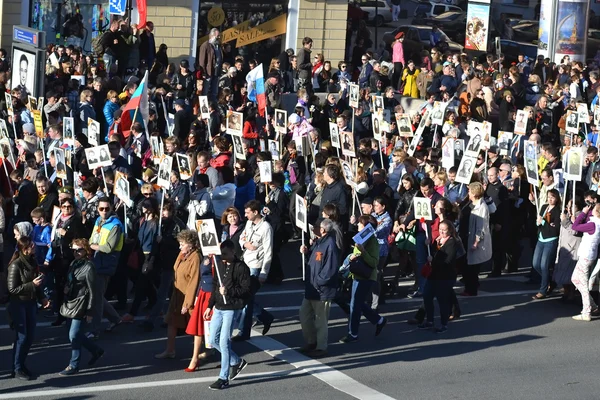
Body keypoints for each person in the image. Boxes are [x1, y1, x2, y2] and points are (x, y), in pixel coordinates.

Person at [204, 240, 251, 390]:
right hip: (219, 307)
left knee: (224, 342)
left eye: (225, 254)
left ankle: (223, 377)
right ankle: (236, 361)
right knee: (213, 339)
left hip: (231, 308)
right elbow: (215, 287)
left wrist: (229, 292)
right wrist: (209, 306)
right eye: (220, 254)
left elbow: (246, 289)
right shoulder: (219, 265)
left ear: (233, 251)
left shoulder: (241, 267)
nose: (222, 256)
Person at [59, 238, 105, 376]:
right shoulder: (74, 263)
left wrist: (90, 311)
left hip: (82, 304)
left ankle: (74, 365)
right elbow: (71, 281)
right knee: (75, 334)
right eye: (73, 250)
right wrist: (67, 288)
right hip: (71, 302)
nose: (76, 252)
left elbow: (93, 290)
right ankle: (96, 350)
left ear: (86, 251)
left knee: (73, 335)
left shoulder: (89, 267)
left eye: (79, 250)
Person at [7, 237, 50, 380]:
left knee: (30, 336)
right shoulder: (16, 265)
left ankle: (21, 364)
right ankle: (16, 368)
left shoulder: (32, 262)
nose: (34, 247)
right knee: (22, 336)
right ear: (25, 249)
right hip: (19, 304)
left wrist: (42, 297)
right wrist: (32, 285)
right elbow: (12, 289)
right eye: (32, 245)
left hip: (30, 303)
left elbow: (36, 283)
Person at [339, 215, 387, 343]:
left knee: (355, 305)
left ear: (366, 226)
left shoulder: (372, 241)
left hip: (366, 277)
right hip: (356, 274)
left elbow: (374, 262)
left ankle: (353, 333)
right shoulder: (360, 239)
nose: (357, 225)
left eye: (360, 224)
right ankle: (379, 320)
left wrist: (363, 252)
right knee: (358, 303)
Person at [299, 218, 342, 357]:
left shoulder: (330, 245)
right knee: (304, 315)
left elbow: (330, 269)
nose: (313, 228)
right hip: (312, 289)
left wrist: (318, 282)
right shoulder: (318, 243)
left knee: (321, 321)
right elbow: (313, 263)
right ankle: (311, 341)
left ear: (323, 230)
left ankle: (321, 346)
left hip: (321, 290)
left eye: (316, 226)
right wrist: (306, 253)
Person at [154, 230, 200, 359]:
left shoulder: (195, 257)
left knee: (196, 326)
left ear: (191, 244)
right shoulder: (182, 254)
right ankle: (170, 350)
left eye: (182, 244)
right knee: (171, 322)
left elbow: (194, 281)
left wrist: (188, 303)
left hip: (187, 296)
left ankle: (205, 351)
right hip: (177, 294)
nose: (180, 247)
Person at [234, 200, 275, 341]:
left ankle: (243, 332)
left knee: (245, 299)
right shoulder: (249, 224)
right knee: (246, 298)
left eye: (247, 212)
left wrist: (264, 272)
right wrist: (245, 244)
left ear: (256, 212)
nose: (245, 215)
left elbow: (269, 251)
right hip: (245, 261)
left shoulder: (266, 228)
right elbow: (241, 238)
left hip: (256, 266)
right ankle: (265, 317)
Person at [86, 199, 124, 338]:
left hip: (106, 263)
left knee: (96, 298)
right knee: (97, 296)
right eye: (101, 209)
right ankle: (115, 318)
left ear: (112, 208)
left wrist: (91, 247)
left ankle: (95, 330)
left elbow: (109, 247)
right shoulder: (98, 221)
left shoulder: (115, 225)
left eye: (107, 209)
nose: (104, 211)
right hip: (96, 261)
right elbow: (92, 239)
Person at [420, 220, 459, 333]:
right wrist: (427, 244)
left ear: (450, 231)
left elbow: (447, 261)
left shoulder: (452, 243)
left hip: (445, 277)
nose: (441, 232)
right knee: (427, 296)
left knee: (443, 300)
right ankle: (430, 321)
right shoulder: (437, 241)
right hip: (433, 275)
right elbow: (430, 253)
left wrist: (434, 260)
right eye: (440, 229)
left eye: (444, 230)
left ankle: (443, 323)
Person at [531, 189, 561, 300]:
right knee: (536, 264)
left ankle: (543, 290)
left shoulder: (558, 211)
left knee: (544, 265)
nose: (550, 199)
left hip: (550, 240)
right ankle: (550, 280)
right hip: (541, 238)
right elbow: (540, 223)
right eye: (548, 197)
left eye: (552, 197)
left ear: (557, 198)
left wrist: (544, 222)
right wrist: (539, 222)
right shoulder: (544, 207)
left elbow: (555, 230)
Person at [462, 182, 492, 296]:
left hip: (475, 240)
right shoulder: (470, 203)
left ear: (474, 193)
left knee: (473, 268)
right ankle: (469, 287)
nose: (468, 192)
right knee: (468, 266)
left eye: (469, 191)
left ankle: (471, 289)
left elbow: (481, 227)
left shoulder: (482, 207)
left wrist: (476, 242)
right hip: (467, 236)